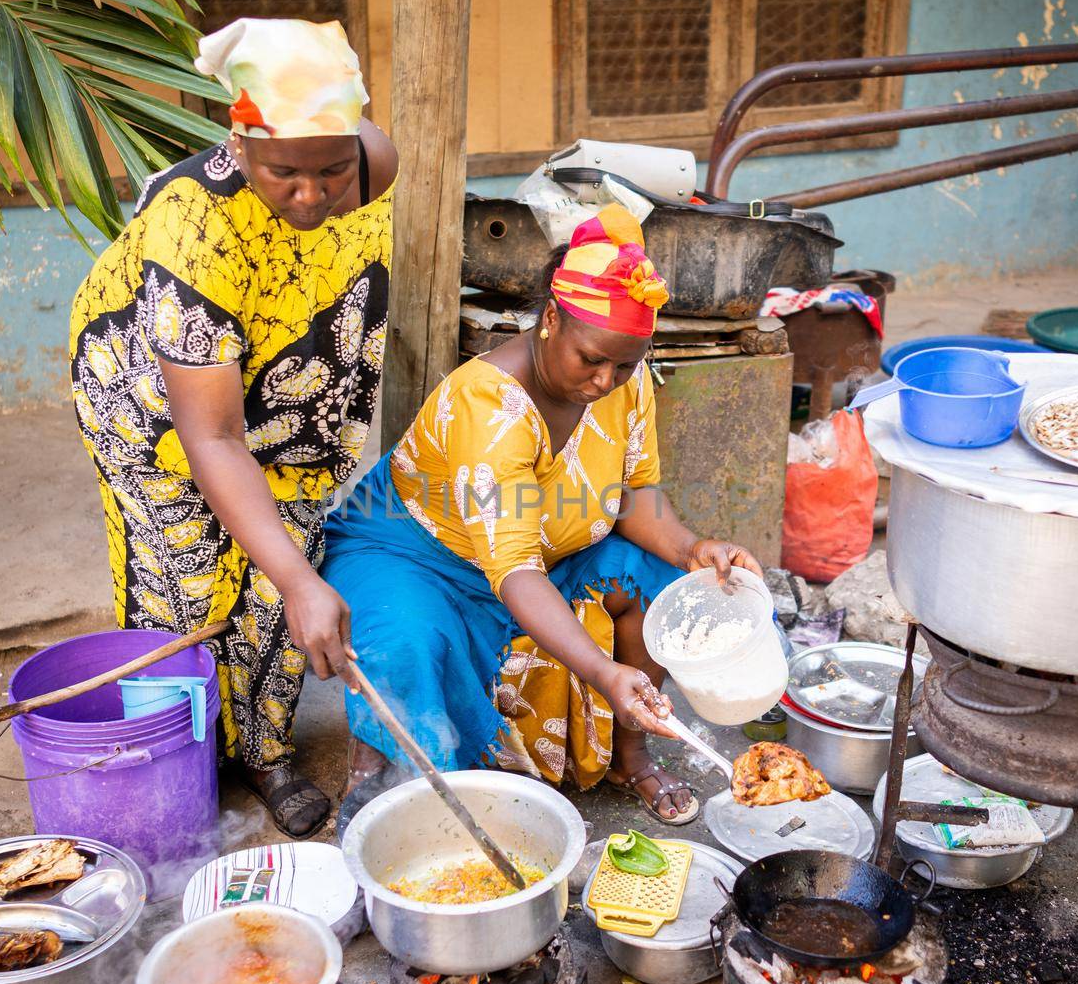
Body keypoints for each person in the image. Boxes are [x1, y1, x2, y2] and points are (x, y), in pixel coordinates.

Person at [324, 204, 763, 825]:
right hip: (415, 553)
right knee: (408, 648)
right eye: (592, 360)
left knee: (662, 581)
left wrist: (694, 550)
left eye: (625, 365)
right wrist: (603, 670)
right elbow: (515, 570)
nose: (606, 380)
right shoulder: (490, 405)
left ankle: (628, 756)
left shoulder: (624, 381)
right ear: (551, 320)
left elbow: (635, 498)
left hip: (535, 548)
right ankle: (380, 770)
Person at [68, 18, 395, 837]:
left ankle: (266, 748)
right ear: (240, 142)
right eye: (285, 171)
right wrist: (296, 578)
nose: (313, 195)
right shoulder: (195, 229)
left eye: (331, 169)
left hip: (292, 391)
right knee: (186, 582)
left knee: (288, 580)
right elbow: (209, 438)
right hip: (158, 409)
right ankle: (186, 757)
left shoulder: (374, 160)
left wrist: (295, 581)